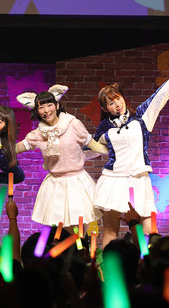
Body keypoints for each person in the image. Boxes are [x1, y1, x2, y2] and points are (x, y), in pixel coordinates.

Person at [93, 52, 169, 248]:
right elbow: (88, 150)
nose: (117, 104)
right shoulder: (104, 128)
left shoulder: (142, 116)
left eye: (118, 99)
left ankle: (147, 264)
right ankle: (105, 266)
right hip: (113, 180)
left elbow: (162, 94)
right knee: (110, 231)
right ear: (105, 109)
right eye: (111, 103)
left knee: (148, 232)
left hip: (140, 179)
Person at [16, 85, 107, 233]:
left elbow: (94, 145)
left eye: (49, 105)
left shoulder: (73, 125)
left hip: (77, 182)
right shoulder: (38, 134)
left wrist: (115, 151)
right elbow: (17, 148)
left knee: (80, 229)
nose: (46, 110)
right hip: (56, 184)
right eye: (41, 107)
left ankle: (81, 247)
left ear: (57, 106)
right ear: (36, 111)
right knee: (64, 231)